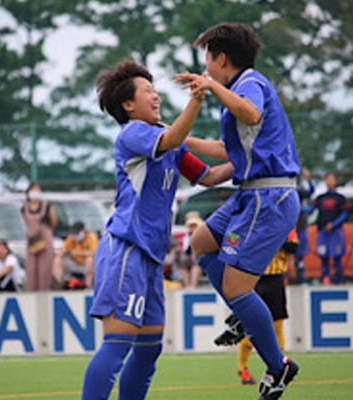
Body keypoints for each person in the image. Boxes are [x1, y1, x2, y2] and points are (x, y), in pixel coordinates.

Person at [81, 59, 233, 400]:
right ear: (128, 105)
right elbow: (174, 136)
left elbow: (207, 176)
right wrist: (197, 97)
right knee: (117, 345)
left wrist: (252, 160)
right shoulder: (134, 132)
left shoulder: (165, 137)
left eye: (155, 89)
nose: (155, 96)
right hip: (126, 250)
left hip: (149, 258)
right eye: (147, 90)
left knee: (149, 349)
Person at [176, 22, 300, 399]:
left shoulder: (249, 84)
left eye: (207, 63)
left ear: (221, 59)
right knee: (200, 242)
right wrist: (173, 139)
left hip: (269, 197)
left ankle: (278, 368)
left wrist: (211, 88)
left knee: (235, 286)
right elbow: (221, 156)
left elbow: (250, 114)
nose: (205, 70)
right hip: (251, 194)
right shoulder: (238, 91)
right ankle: (244, 314)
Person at [215, 229, 298, 386]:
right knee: (250, 327)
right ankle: (242, 368)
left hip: (276, 279)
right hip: (253, 278)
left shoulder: (286, 222)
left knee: (277, 326)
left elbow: (293, 246)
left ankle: (280, 367)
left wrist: (267, 238)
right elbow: (232, 240)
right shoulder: (249, 221)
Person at [309, 172, 349, 285]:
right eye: (327, 179)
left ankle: (338, 281)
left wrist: (334, 224)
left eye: (332, 178)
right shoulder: (320, 198)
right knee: (324, 258)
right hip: (323, 232)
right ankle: (325, 280)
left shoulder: (340, 198)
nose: (330, 181)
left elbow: (345, 214)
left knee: (337, 258)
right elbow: (311, 209)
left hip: (336, 232)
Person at [22, 182, 57, 291]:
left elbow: (53, 222)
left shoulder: (46, 206)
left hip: (44, 238)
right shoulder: (25, 208)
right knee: (31, 269)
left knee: (44, 270)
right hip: (32, 239)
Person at [51, 221, 98, 289]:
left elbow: (94, 252)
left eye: (77, 233)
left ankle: (88, 285)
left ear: (83, 230)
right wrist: (61, 254)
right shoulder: (71, 238)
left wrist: (76, 252)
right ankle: (59, 284)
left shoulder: (91, 238)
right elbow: (63, 250)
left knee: (90, 259)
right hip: (75, 263)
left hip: (87, 265)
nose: (75, 235)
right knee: (57, 260)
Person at [294, 167, 314, 284]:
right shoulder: (284, 190)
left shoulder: (298, 191)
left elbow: (311, 192)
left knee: (300, 257)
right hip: (288, 229)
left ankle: (300, 281)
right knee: (285, 256)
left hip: (300, 228)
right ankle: (286, 280)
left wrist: (309, 179)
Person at [179, 211, 204, 288]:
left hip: (198, 256)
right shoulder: (185, 235)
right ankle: (187, 285)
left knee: (195, 265)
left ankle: (193, 285)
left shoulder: (202, 234)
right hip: (187, 256)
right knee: (183, 264)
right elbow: (184, 248)